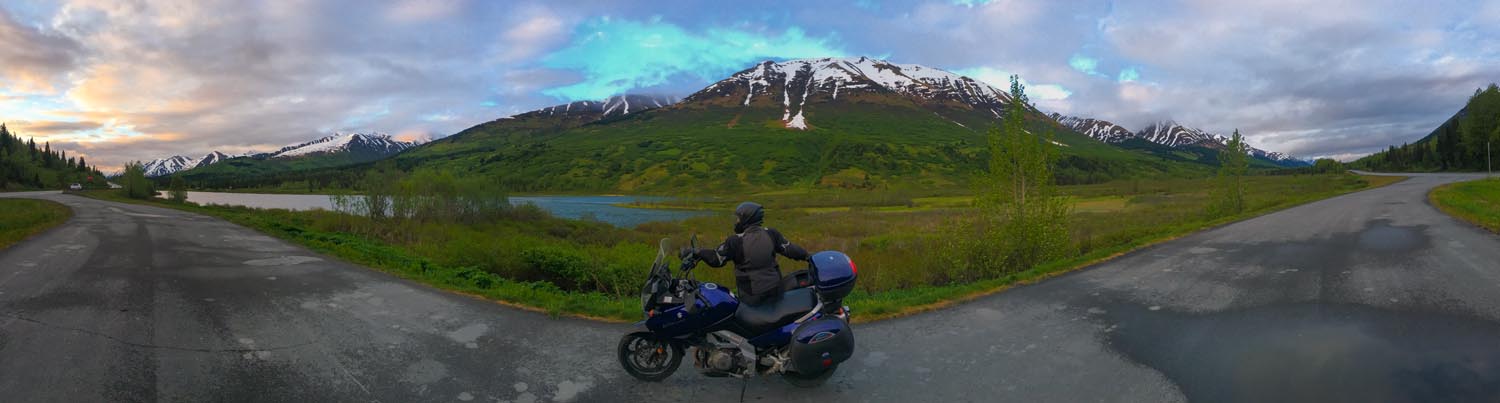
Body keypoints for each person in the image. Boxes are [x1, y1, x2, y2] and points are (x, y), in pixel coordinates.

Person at [685, 201, 809, 306]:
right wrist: (808, 256)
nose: (736, 221)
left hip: (752, 296)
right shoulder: (771, 233)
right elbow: (790, 249)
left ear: (746, 218)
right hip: (776, 289)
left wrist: (698, 252)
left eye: (738, 218)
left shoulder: (735, 241)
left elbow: (717, 259)